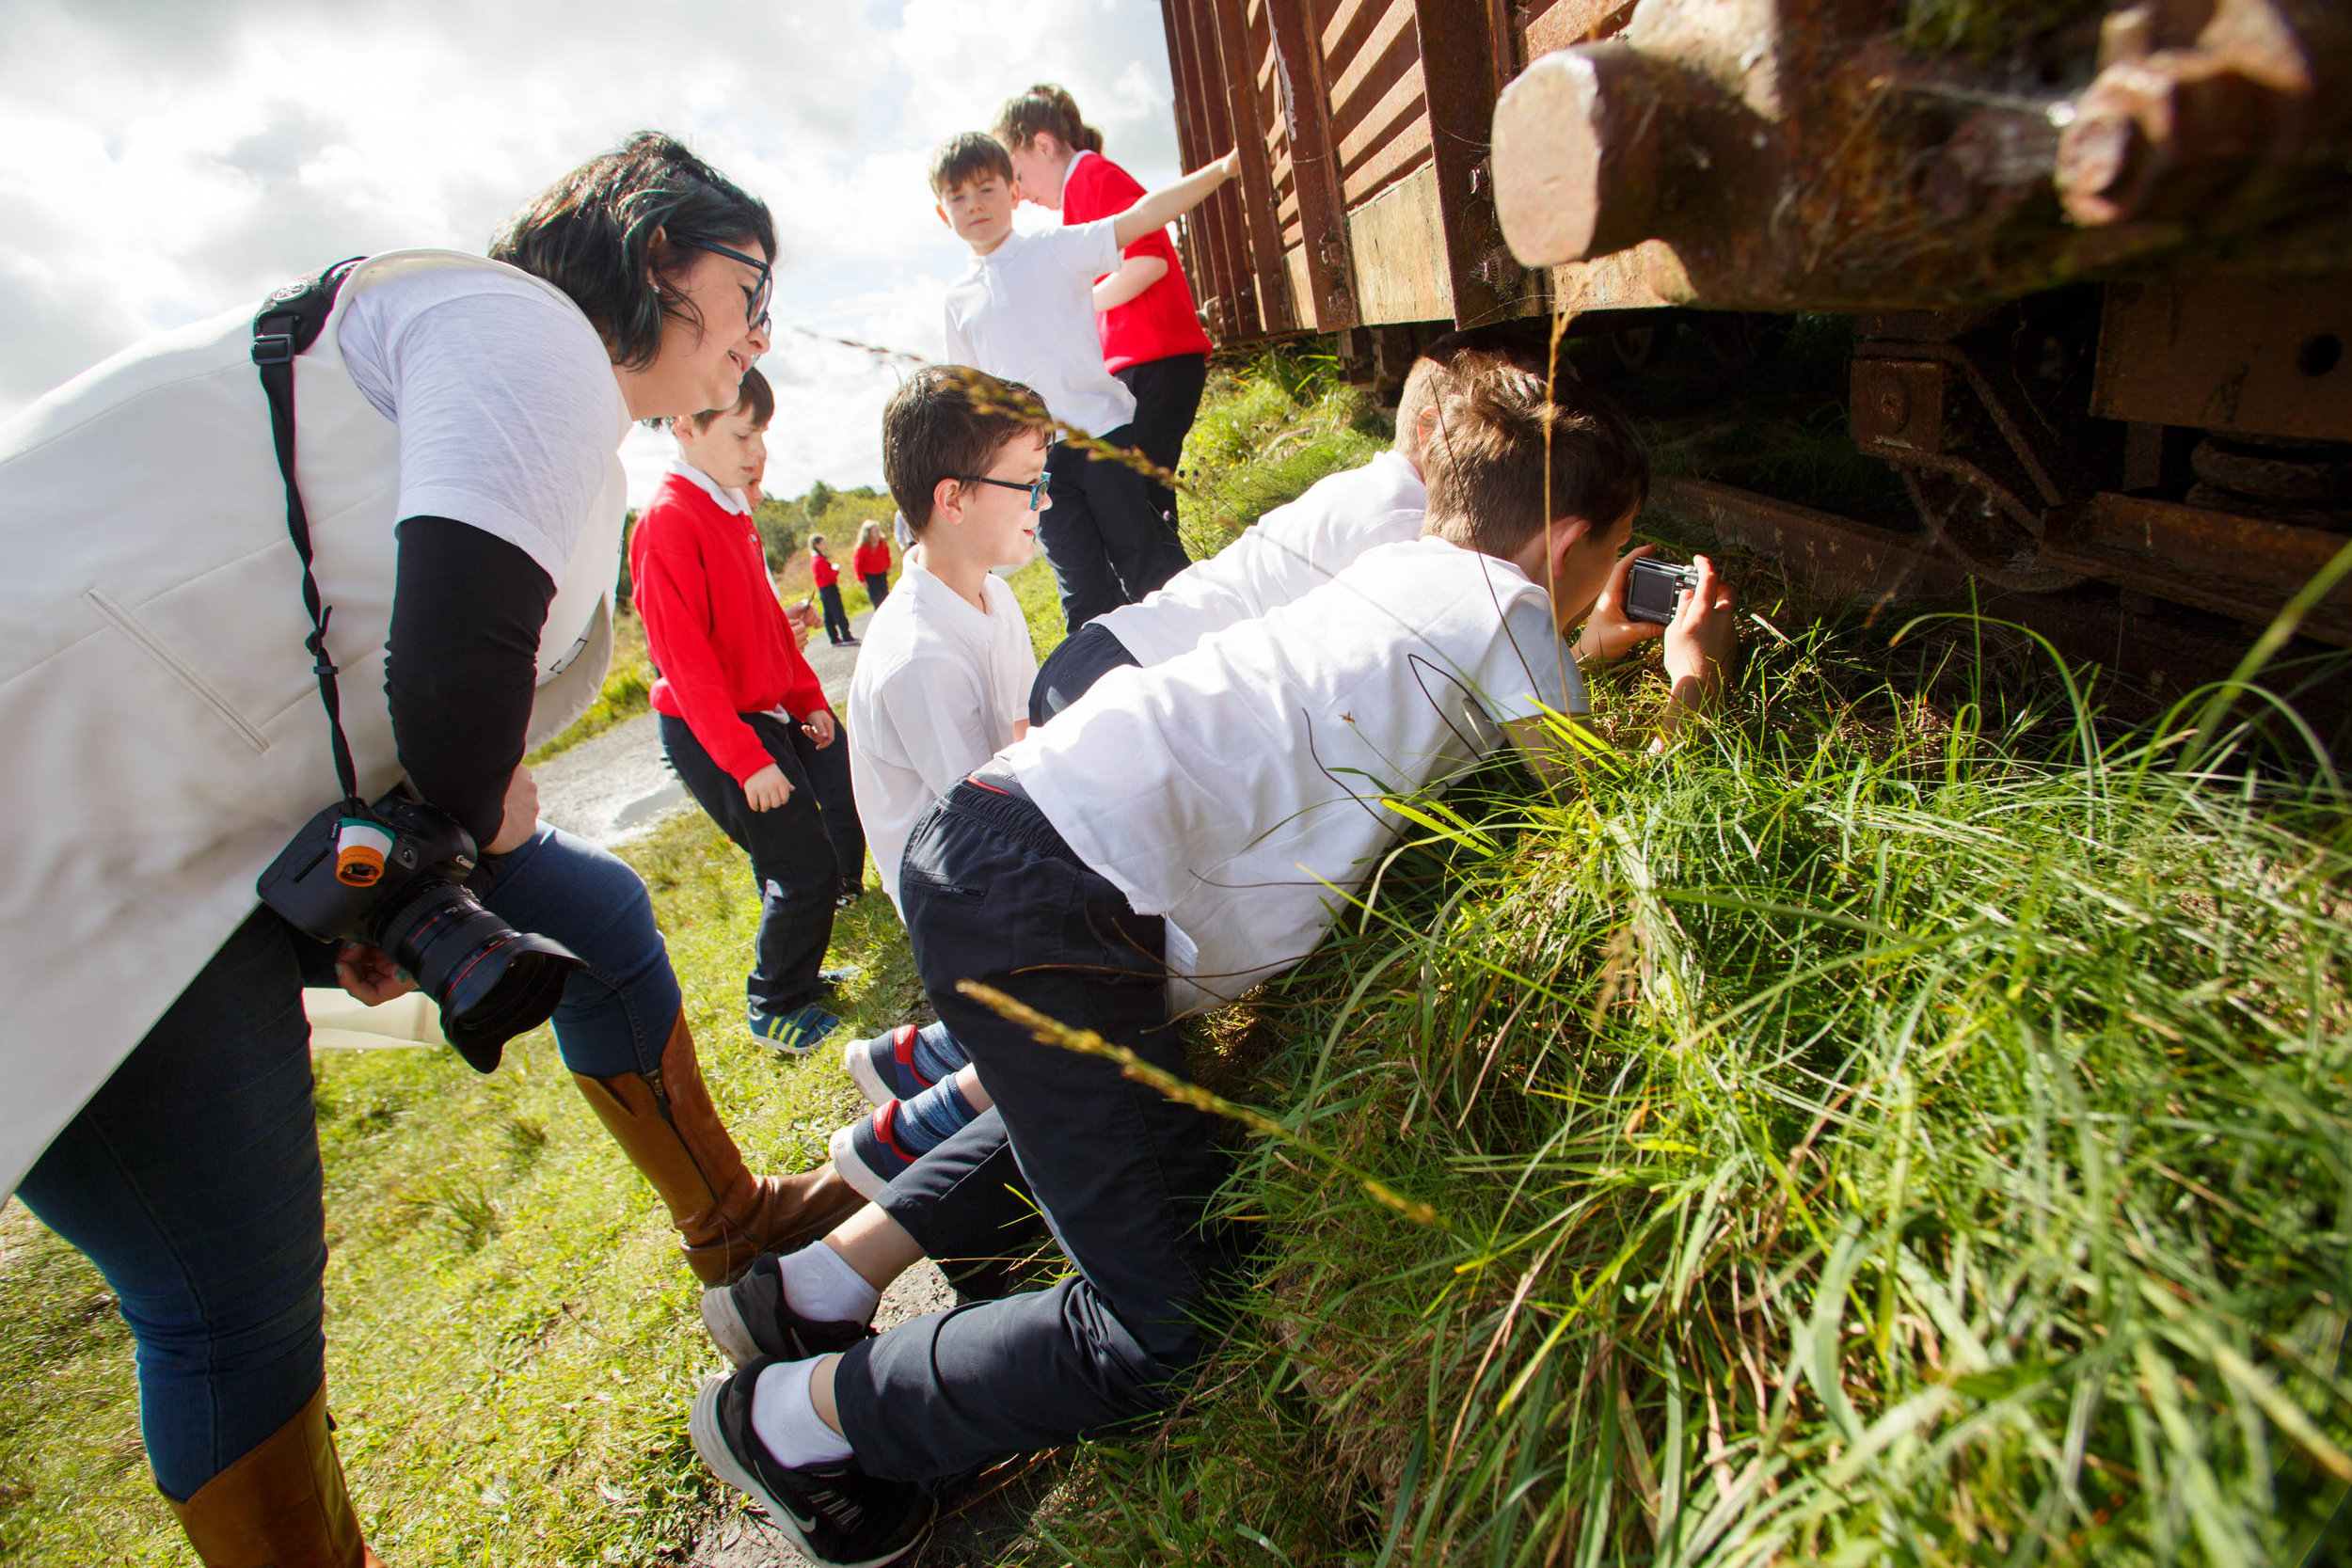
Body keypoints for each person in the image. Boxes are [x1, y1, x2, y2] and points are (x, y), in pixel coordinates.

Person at [683, 362, 1740, 1568]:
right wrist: (1687, 667)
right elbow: (1623, 820)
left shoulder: (1403, 571)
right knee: (1168, 1324)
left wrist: (1565, 636)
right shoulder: (1507, 616)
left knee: (1107, 1101)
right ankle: (793, 1426)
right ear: (1565, 543)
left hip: (1008, 845)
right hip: (1056, 897)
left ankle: (811, 1292)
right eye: (1615, 554)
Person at [0, 134, 870, 1567]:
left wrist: (444, 839)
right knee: (227, 1281)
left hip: (217, 817)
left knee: (589, 908)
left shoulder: (542, 398)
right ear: (658, 257)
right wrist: (456, 834)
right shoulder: (520, 322)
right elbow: (458, 663)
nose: (760, 334)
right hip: (75, 818)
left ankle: (727, 1218)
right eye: (750, 285)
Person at [829, 366, 1053, 1199]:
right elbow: (990, 832)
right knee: (1072, 1024)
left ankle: (908, 1057)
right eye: (1028, 484)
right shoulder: (920, 653)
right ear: (952, 499)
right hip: (959, 892)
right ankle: (889, 1145)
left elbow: (1024, 737)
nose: (1044, 502)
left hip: (992, 839)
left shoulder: (989, 594)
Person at [631, 366, 867, 1053]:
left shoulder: (732, 506)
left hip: (760, 719)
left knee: (803, 856)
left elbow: (766, 625)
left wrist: (806, 699)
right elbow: (687, 663)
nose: (756, 450)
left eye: (761, 431)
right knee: (801, 867)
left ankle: (801, 973)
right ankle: (773, 1003)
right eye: (740, 432)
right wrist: (745, 758)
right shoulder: (668, 519)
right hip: (715, 732)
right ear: (684, 423)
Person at [932, 130, 1237, 632]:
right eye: (958, 196)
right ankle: (1124, 694)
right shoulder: (956, 301)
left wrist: (1223, 168)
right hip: (1035, 468)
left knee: (1149, 562)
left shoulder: (1055, 249)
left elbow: (1140, 218)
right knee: (1082, 593)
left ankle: (1211, 650)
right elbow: (970, 400)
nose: (975, 205)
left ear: (1014, 190)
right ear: (944, 214)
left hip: (1103, 436)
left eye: (986, 188)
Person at [996, 85, 1213, 554]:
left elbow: (1149, 261)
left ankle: (1172, 607)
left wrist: (1073, 306)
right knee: (1143, 510)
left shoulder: (1091, 175)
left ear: (1043, 145)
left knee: (1143, 513)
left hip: (1158, 362)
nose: (1021, 194)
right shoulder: (1080, 190)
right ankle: (1167, 605)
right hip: (1150, 364)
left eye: (1017, 174)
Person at [810, 533, 856, 644]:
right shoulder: (819, 560)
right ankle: (846, 635)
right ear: (816, 545)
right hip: (828, 588)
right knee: (837, 612)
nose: (825, 546)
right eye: (823, 544)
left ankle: (834, 638)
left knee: (829, 615)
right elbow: (827, 576)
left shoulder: (816, 559)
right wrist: (835, 570)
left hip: (824, 589)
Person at [852, 517, 894, 608]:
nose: (878, 533)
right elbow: (858, 565)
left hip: (881, 573)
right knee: (877, 600)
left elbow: (886, 555)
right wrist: (862, 580)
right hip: (870, 577)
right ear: (868, 534)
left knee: (885, 596)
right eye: (875, 531)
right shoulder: (863, 548)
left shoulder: (882, 542)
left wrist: (887, 566)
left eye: (878, 531)